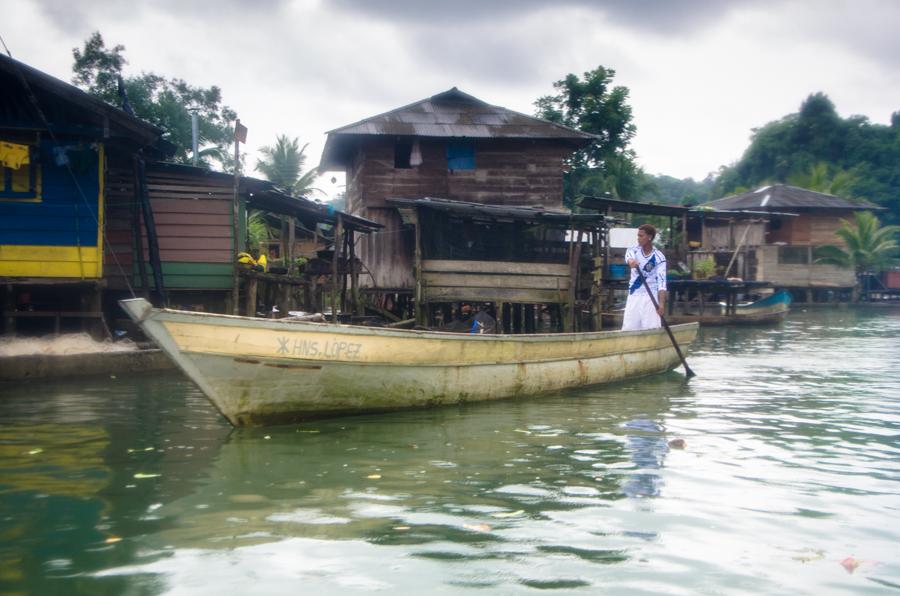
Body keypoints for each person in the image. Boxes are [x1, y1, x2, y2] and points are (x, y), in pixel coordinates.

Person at [622, 224, 667, 331]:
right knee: (629, 328)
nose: (638, 239)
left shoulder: (659, 257)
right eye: (638, 236)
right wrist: (631, 262)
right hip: (634, 295)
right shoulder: (633, 250)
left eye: (641, 236)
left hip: (650, 296)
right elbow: (629, 258)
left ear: (649, 237)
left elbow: (662, 283)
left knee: (651, 328)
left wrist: (661, 304)